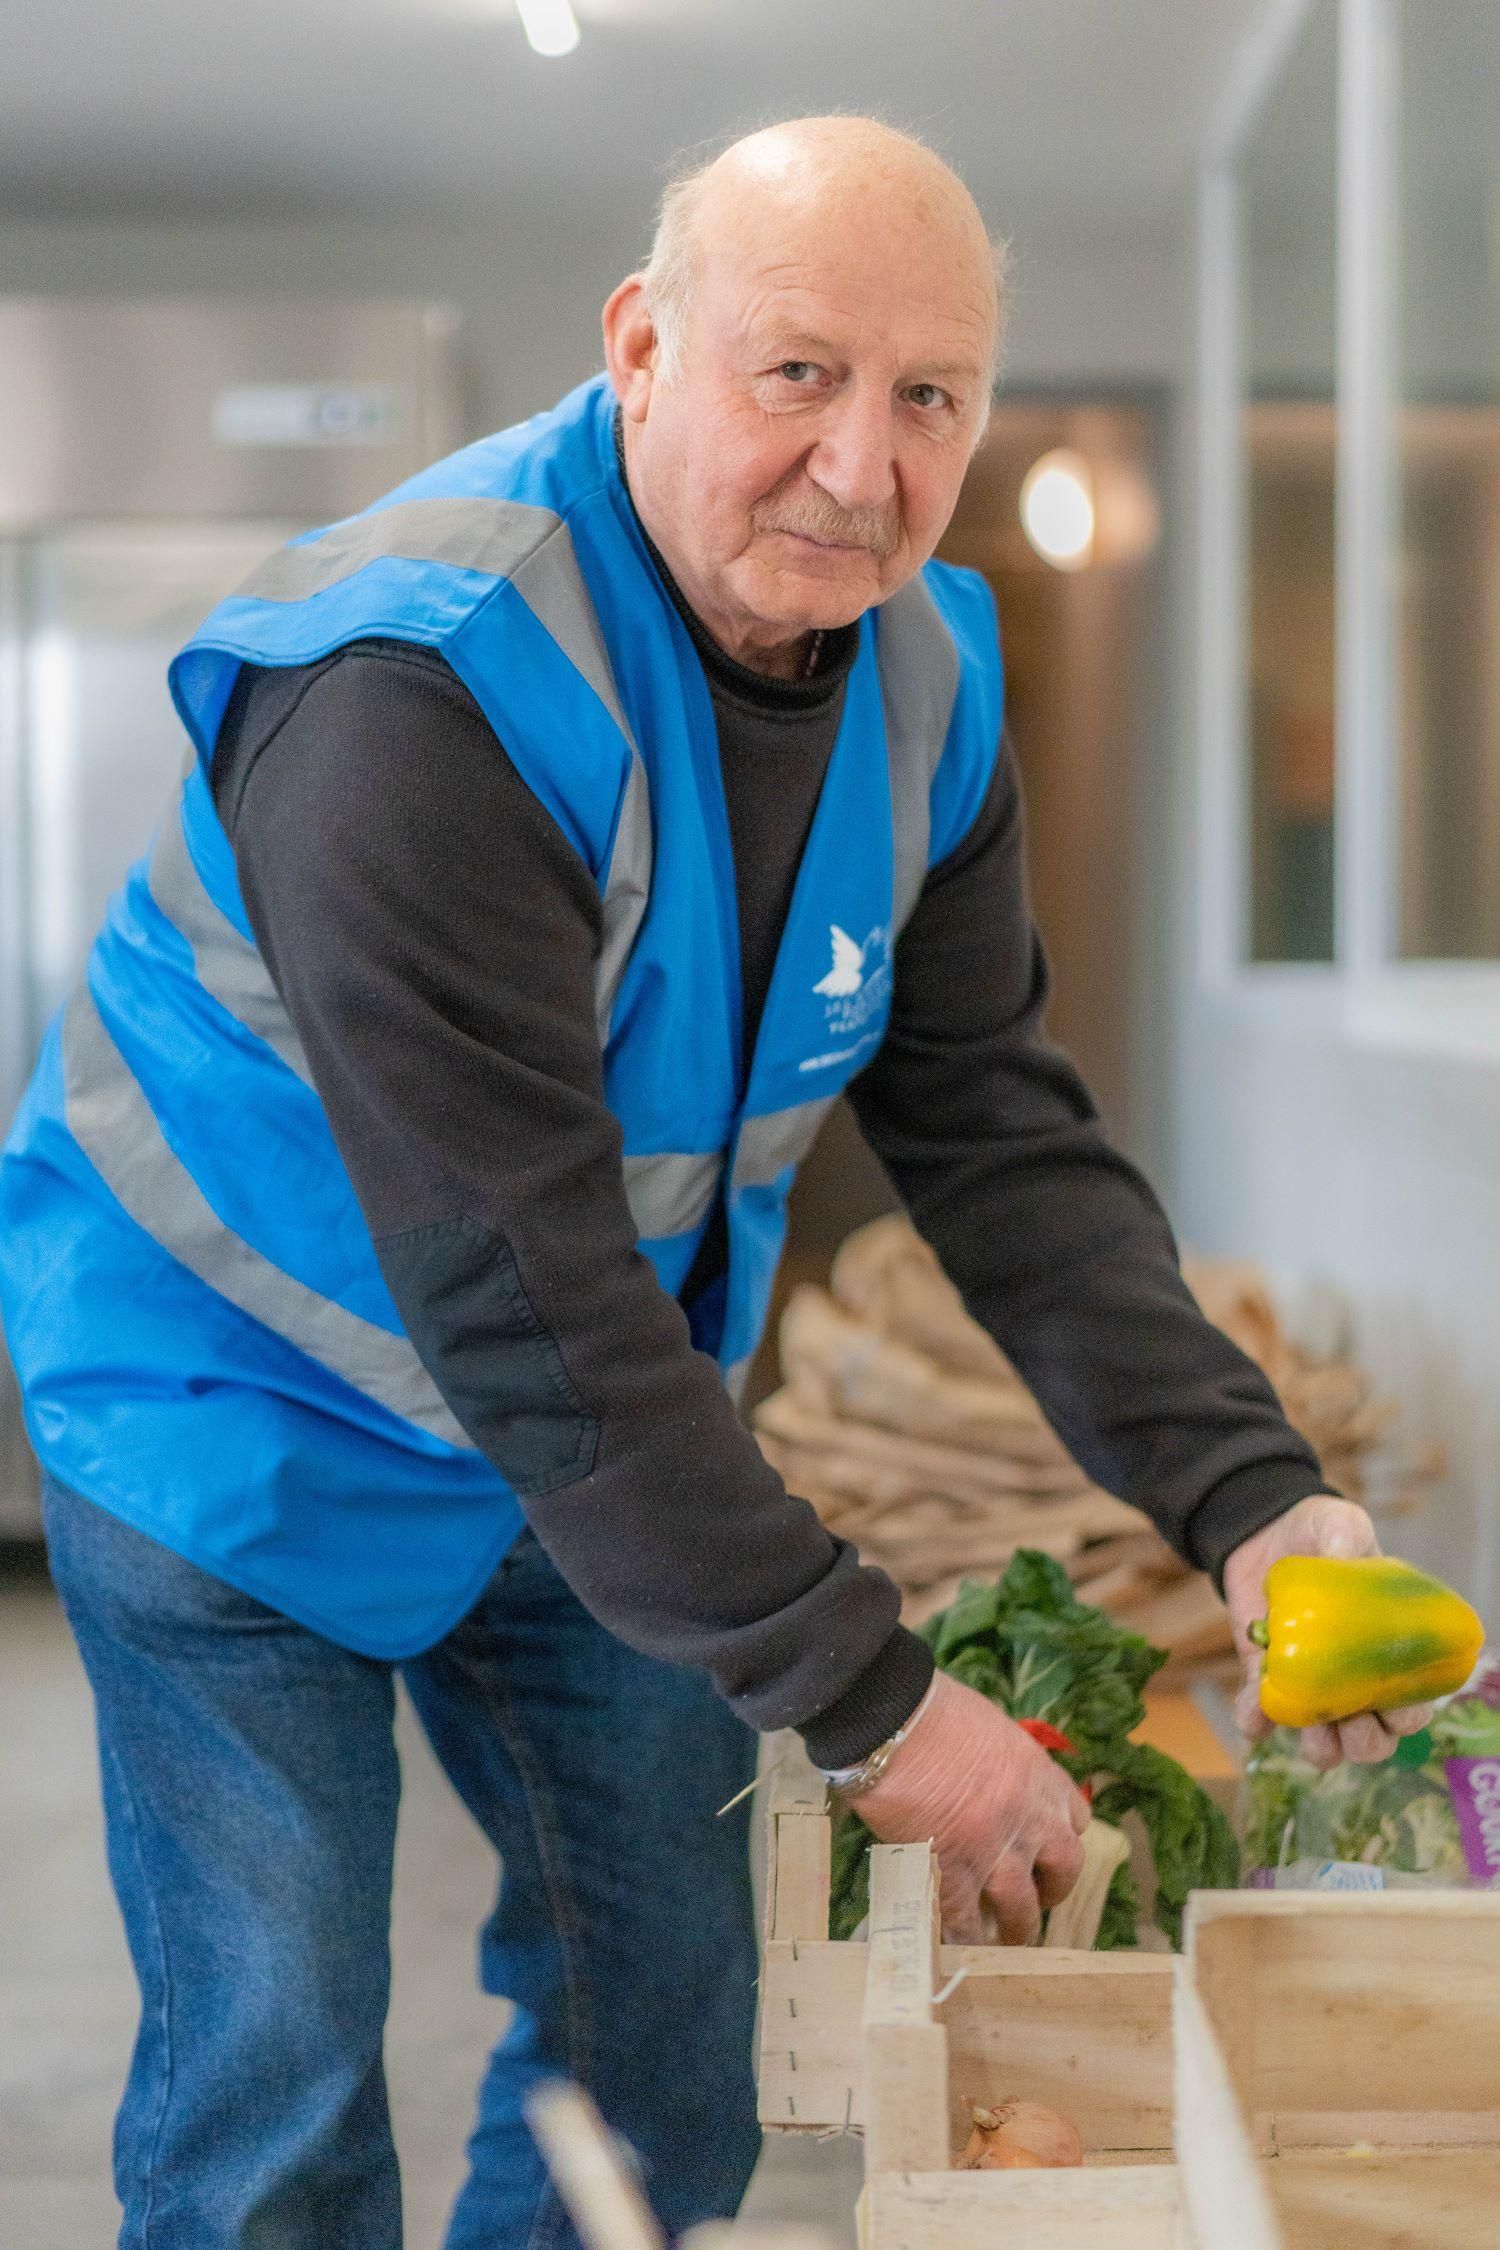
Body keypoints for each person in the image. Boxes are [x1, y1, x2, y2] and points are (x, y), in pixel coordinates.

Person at [0, 115, 1428, 2249]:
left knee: (668, 2045)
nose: (863, 464)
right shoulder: (415, 684)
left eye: (930, 395)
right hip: (227, 1403)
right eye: (800, 373)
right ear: (641, 347)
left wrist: (1251, 1493)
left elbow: (1000, 1138)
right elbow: (517, 1284)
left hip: (589, 1438)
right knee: (278, 2082)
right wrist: (876, 1704)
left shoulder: (927, 682)